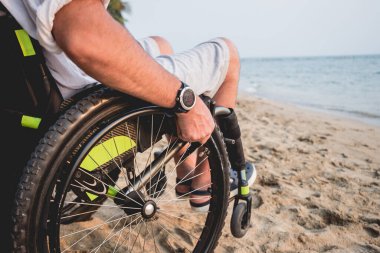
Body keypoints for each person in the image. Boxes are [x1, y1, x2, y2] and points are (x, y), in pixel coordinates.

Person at [0, 0, 255, 250]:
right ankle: (202, 182)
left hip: (39, 99)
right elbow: (84, 37)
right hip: (86, 102)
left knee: (160, 44)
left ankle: (185, 170)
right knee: (227, 54)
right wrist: (184, 98)